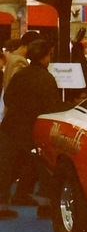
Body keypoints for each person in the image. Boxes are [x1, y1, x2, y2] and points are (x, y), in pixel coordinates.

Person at [0, 39, 72, 220]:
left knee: (5, 168)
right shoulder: (46, 78)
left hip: (10, 127)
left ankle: (2, 207)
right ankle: (45, 205)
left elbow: (8, 98)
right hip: (32, 130)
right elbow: (51, 106)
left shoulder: (21, 74)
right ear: (45, 56)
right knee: (43, 167)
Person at [1, 31, 42, 207]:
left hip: (11, 118)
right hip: (18, 119)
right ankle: (17, 195)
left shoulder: (13, 58)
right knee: (21, 158)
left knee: (15, 159)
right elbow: (20, 89)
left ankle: (17, 195)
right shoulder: (20, 61)